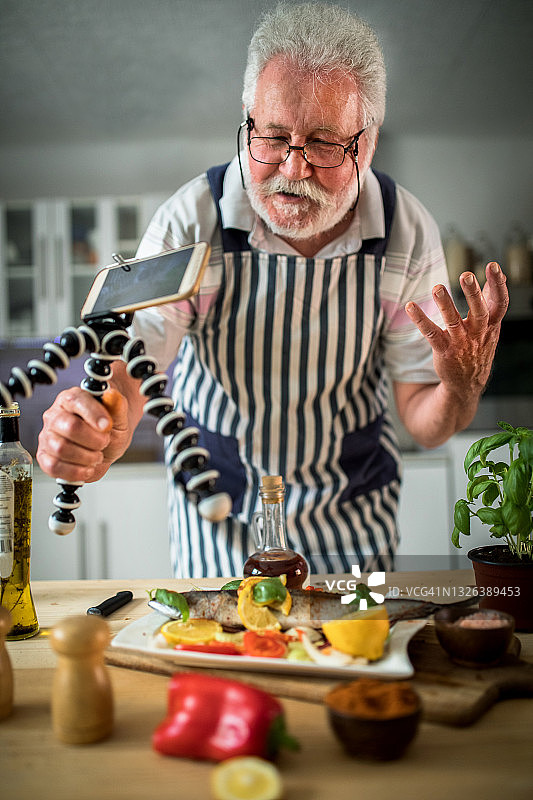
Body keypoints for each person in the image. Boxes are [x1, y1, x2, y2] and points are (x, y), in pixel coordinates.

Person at [36, 2, 508, 578]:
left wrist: (460, 390)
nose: (294, 167)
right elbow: (137, 368)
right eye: (274, 136)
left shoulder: (405, 231)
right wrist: (100, 433)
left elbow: (421, 415)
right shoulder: (190, 221)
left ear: (371, 141)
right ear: (247, 119)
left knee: (354, 657)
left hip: (354, 522)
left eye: (326, 143)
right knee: (227, 654)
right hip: (219, 518)